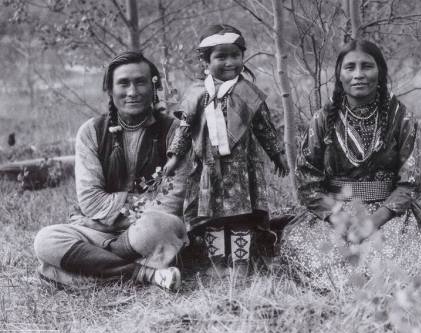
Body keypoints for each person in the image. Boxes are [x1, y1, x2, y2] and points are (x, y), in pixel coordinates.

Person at [280, 40, 421, 290]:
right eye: (350, 67)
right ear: (339, 74)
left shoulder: (401, 118)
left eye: (366, 66)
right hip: (334, 214)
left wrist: (374, 221)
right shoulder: (323, 119)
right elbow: (307, 182)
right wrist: (341, 220)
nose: (358, 74)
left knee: (396, 266)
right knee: (313, 254)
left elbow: (411, 181)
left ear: (380, 72)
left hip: (389, 214)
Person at [33, 51, 190, 291]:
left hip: (143, 233)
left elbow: (171, 202)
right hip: (101, 234)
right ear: (110, 89)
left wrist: (102, 223)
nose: (132, 92)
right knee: (46, 239)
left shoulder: (174, 131)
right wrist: (132, 208)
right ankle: (147, 274)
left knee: (161, 225)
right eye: (123, 83)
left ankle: (79, 268)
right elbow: (91, 201)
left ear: (153, 86)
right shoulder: (91, 131)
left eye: (140, 82)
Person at [164, 24, 289, 273]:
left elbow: (265, 127)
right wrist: (175, 156)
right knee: (213, 217)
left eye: (235, 55)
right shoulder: (197, 94)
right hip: (209, 170)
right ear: (205, 61)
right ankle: (218, 263)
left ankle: (240, 262)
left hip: (241, 170)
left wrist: (277, 153)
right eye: (221, 56)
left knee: (241, 216)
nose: (230, 62)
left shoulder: (247, 93)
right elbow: (185, 128)